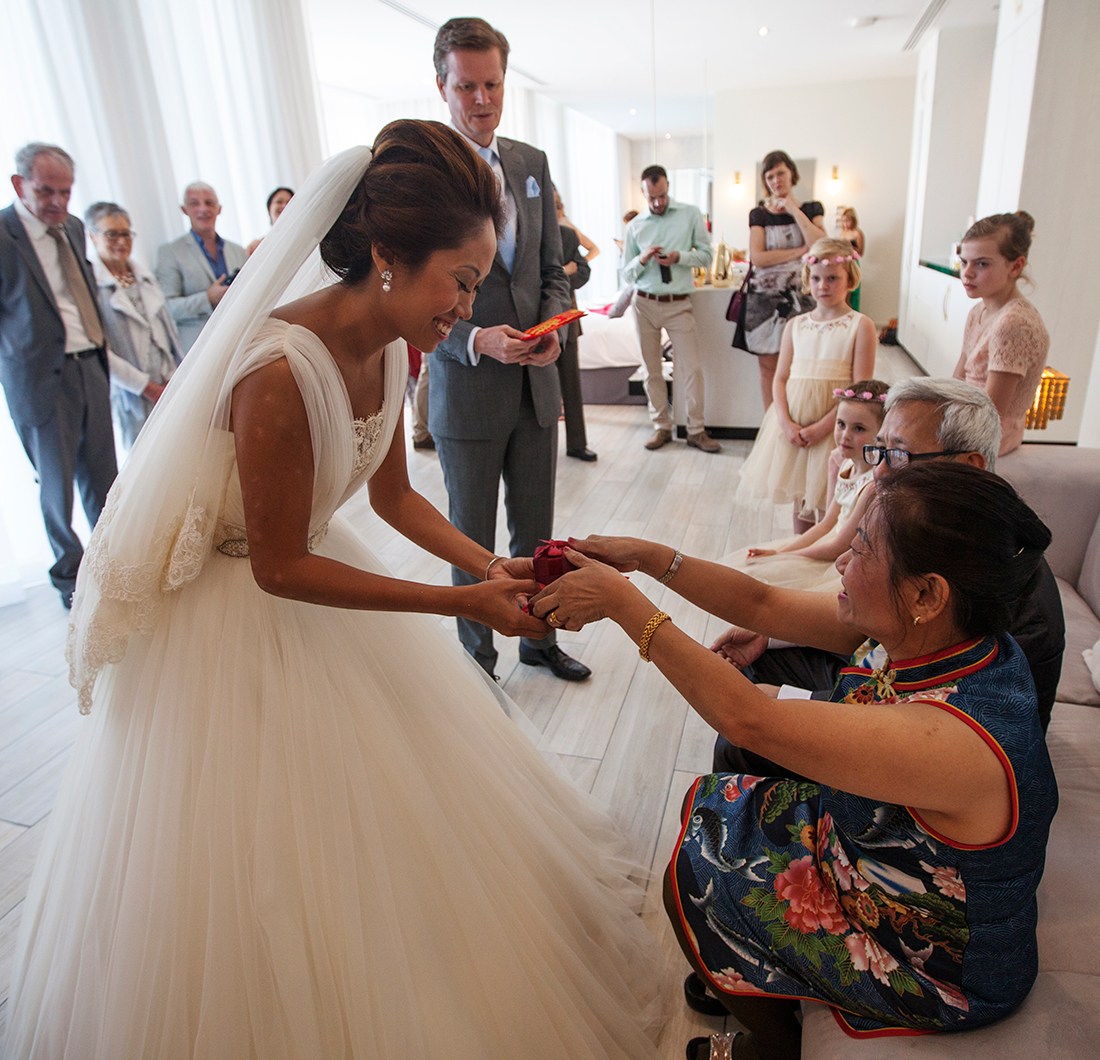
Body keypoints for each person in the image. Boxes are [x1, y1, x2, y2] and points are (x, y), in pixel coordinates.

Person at [5, 121, 664, 1059]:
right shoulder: (276, 373)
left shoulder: (397, 342)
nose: (466, 305)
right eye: (462, 281)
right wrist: (455, 604)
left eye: (478, 283)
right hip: (239, 612)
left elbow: (392, 496)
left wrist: (488, 564)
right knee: (264, 863)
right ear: (389, 258)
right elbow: (278, 566)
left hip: (319, 572)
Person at [530, 461, 1057, 1054]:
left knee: (699, 864)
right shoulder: (939, 636)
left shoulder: (954, 737)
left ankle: (772, 1046)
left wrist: (625, 606)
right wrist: (649, 558)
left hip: (927, 961)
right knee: (719, 807)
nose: (840, 562)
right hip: (873, 860)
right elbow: (760, 602)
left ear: (926, 594)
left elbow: (747, 719)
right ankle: (752, 977)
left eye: (859, 550)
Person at [712, 377, 1065, 736]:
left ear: (968, 466)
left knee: (742, 734)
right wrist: (769, 635)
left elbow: (922, 719)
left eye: (899, 455)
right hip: (887, 687)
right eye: (879, 450)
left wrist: (786, 701)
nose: (880, 473)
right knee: (762, 662)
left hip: (926, 744)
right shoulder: (939, 529)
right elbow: (865, 633)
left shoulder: (1001, 586)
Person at [429, 16, 590, 682]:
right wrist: (474, 340)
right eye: (467, 86)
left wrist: (553, 332)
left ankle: (537, 639)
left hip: (534, 388)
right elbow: (410, 296)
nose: (481, 99)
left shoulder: (530, 163)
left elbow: (552, 268)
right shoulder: (424, 174)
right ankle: (477, 659)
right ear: (442, 85)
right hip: (467, 391)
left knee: (537, 538)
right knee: (471, 544)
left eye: (492, 83)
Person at [0, 143, 117, 609]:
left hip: (90, 364)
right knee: (56, 483)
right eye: (46, 191)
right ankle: (70, 577)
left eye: (65, 192)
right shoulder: (4, 235)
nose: (57, 202)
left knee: (104, 477)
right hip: (40, 379)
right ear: (19, 185)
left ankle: (110, 564)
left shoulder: (71, 228)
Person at [738, 237, 876, 532]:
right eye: (816, 278)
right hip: (795, 426)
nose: (823, 285)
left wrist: (824, 428)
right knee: (801, 498)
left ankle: (826, 556)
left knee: (833, 502)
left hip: (834, 428)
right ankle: (798, 556)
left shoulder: (859, 325)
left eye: (832, 278)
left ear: (849, 279)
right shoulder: (795, 326)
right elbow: (780, 378)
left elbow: (860, 391)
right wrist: (785, 422)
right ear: (807, 280)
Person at [724, 380, 887, 592]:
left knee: (769, 584)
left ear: (881, 434)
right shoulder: (843, 464)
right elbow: (827, 523)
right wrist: (780, 553)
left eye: (859, 428)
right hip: (829, 544)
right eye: (841, 424)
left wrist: (784, 556)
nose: (845, 435)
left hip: (843, 559)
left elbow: (840, 545)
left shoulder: (871, 484)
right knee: (751, 568)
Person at [622, 165, 718, 453]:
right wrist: (641, 260)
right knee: (651, 369)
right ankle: (661, 427)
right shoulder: (635, 226)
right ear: (643, 193)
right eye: (651, 198)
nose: (657, 202)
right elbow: (625, 274)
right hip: (644, 304)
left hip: (678, 303)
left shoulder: (690, 214)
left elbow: (706, 255)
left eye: (662, 195)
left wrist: (679, 257)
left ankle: (696, 429)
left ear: (668, 187)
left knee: (692, 368)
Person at [86, 201, 183, 450]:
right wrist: (145, 386)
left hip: (168, 382)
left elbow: (167, 332)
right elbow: (101, 350)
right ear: (93, 237)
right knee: (143, 461)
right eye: (112, 234)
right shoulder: (91, 287)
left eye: (126, 233)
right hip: (132, 393)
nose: (121, 241)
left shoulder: (144, 277)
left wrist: (175, 375)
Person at [953, 211, 1048, 456]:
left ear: (1016, 266)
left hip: (988, 440)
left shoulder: (1013, 323)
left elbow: (991, 411)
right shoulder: (978, 311)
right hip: (964, 420)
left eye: (981, 263)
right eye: (964, 262)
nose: (968, 273)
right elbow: (958, 375)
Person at [741, 150, 827, 409]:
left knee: (802, 363)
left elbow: (822, 244)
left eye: (780, 173)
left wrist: (792, 208)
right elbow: (758, 257)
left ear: (792, 173)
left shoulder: (812, 208)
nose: (776, 180)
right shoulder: (758, 214)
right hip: (765, 299)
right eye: (769, 176)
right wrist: (800, 252)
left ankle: (798, 415)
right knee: (768, 366)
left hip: (803, 297)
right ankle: (771, 424)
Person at [155, 180, 248, 352]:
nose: (203, 209)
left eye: (209, 203)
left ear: (218, 209)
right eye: (194, 203)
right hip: (199, 348)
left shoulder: (238, 251)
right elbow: (167, 308)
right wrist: (207, 299)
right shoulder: (170, 252)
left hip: (239, 341)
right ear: (184, 210)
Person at [555, 185, 598, 461]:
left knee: (572, 385)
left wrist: (560, 275)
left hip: (567, 316)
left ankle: (577, 444)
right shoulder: (523, 236)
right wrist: (563, 271)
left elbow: (583, 272)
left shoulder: (568, 235)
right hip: (532, 322)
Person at [246, 185, 295, 255]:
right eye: (279, 202)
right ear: (269, 209)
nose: (284, 206)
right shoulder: (258, 246)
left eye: (289, 202)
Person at [837, 206, 865, 311]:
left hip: (853, 262)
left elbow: (861, 252)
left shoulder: (857, 233)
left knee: (853, 290)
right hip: (843, 263)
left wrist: (851, 247)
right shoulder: (842, 233)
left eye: (847, 221)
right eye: (843, 221)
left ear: (853, 220)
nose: (845, 224)